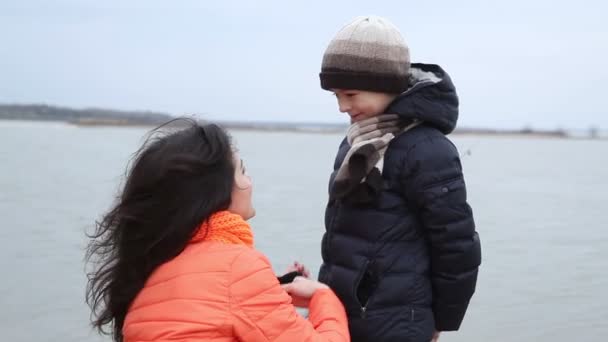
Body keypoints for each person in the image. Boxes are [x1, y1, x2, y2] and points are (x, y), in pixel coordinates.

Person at [85, 119, 350, 342]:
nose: (250, 181)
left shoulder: (150, 269)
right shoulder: (237, 266)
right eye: (243, 171)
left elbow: (205, 311)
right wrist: (323, 296)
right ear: (215, 191)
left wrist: (269, 292)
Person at [317, 15, 482, 342]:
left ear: (386, 85)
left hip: (400, 322)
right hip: (343, 313)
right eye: (335, 95)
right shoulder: (357, 143)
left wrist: (443, 320)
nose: (341, 107)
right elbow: (339, 236)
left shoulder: (428, 150)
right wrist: (323, 296)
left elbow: (455, 245)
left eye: (349, 94)